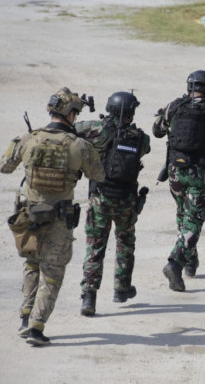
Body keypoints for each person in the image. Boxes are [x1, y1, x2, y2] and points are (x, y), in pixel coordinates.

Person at [1, 87, 105, 346]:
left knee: (32, 265)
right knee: (52, 273)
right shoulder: (79, 145)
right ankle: (36, 326)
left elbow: (4, 166)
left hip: (30, 216)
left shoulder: (29, 138)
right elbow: (99, 175)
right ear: (70, 115)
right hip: (60, 220)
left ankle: (25, 317)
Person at [153, 70, 205, 292]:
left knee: (183, 214)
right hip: (200, 172)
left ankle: (191, 262)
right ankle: (175, 262)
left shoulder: (175, 105)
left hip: (175, 171)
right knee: (194, 221)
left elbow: (157, 131)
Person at [75, 92, 151, 316]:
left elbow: (72, 130)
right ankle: (121, 289)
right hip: (127, 199)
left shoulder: (97, 129)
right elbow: (146, 149)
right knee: (125, 243)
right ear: (131, 112)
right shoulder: (140, 137)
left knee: (95, 246)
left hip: (101, 196)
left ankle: (89, 296)